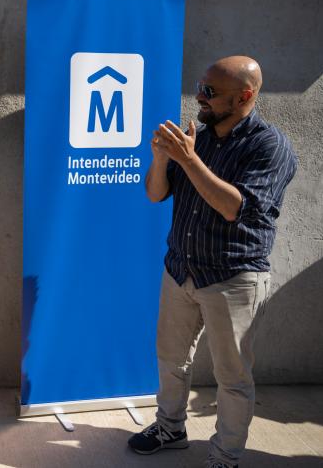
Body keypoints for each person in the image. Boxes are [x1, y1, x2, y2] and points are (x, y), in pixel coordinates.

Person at [128, 56, 297, 468]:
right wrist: (163, 158)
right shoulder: (198, 138)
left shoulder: (268, 145)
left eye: (210, 92)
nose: (199, 98)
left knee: (233, 379)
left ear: (245, 96)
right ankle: (170, 427)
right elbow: (154, 194)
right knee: (171, 360)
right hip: (181, 269)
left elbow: (232, 207)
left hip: (233, 277)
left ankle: (224, 456)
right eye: (200, 87)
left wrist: (188, 159)